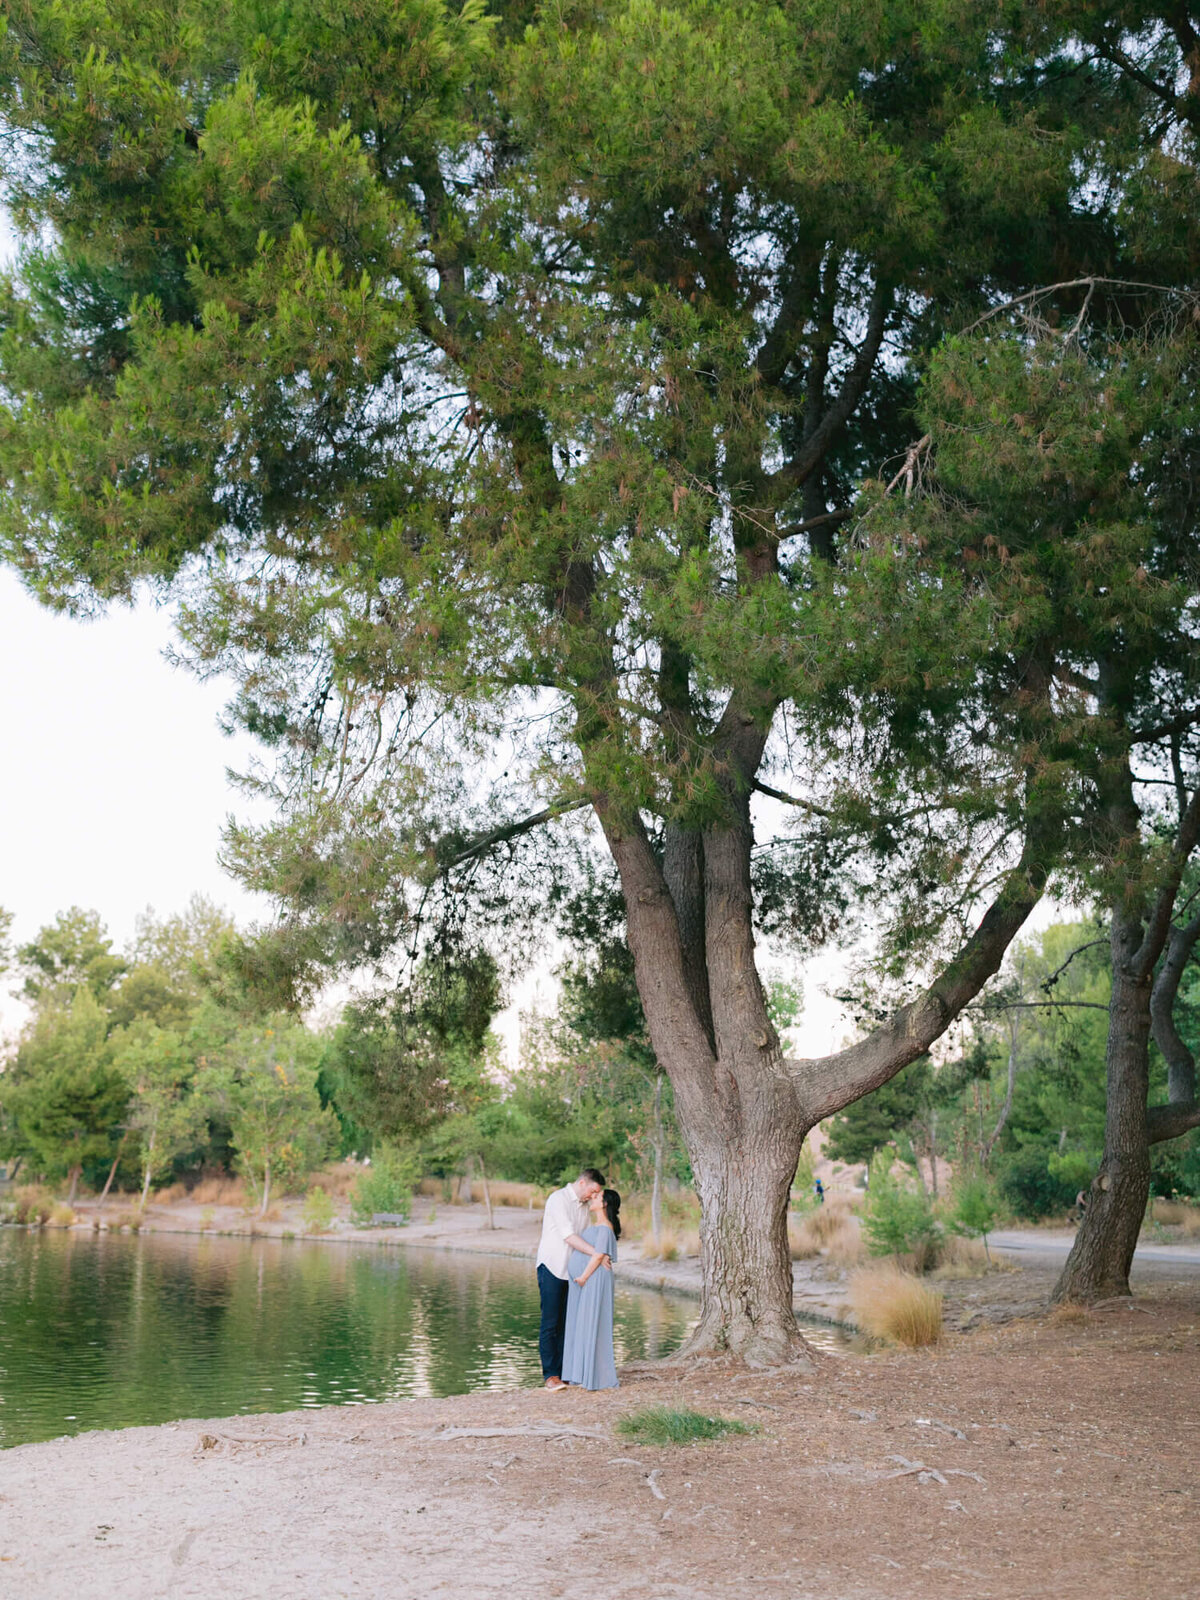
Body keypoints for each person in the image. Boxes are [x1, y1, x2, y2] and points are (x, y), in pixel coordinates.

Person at [535, 1167, 610, 1392]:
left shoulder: (585, 1207)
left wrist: (602, 1254)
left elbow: (588, 1235)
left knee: (569, 1322)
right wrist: (597, 1254)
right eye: (593, 1191)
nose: (593, 1196)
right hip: (552, 1267)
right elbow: (568, 1236)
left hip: (573, 1272)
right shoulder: (558, 1199)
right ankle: (551, 1376)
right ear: (582, 1183)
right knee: (550, 1322)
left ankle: (565, 1372)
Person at [562, 1188, 620, 1391]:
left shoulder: (605, 1227)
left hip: (593, 1280)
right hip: (588, 1279)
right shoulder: (597, 1225)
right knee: (584, 1323)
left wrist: (584, 1277)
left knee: (593, 1322)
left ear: (605, 1204)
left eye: (597, 1196)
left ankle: (596, 1375)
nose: (593, 1198)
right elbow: (597, 1252)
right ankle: (583, 1372)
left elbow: (598, 1256)